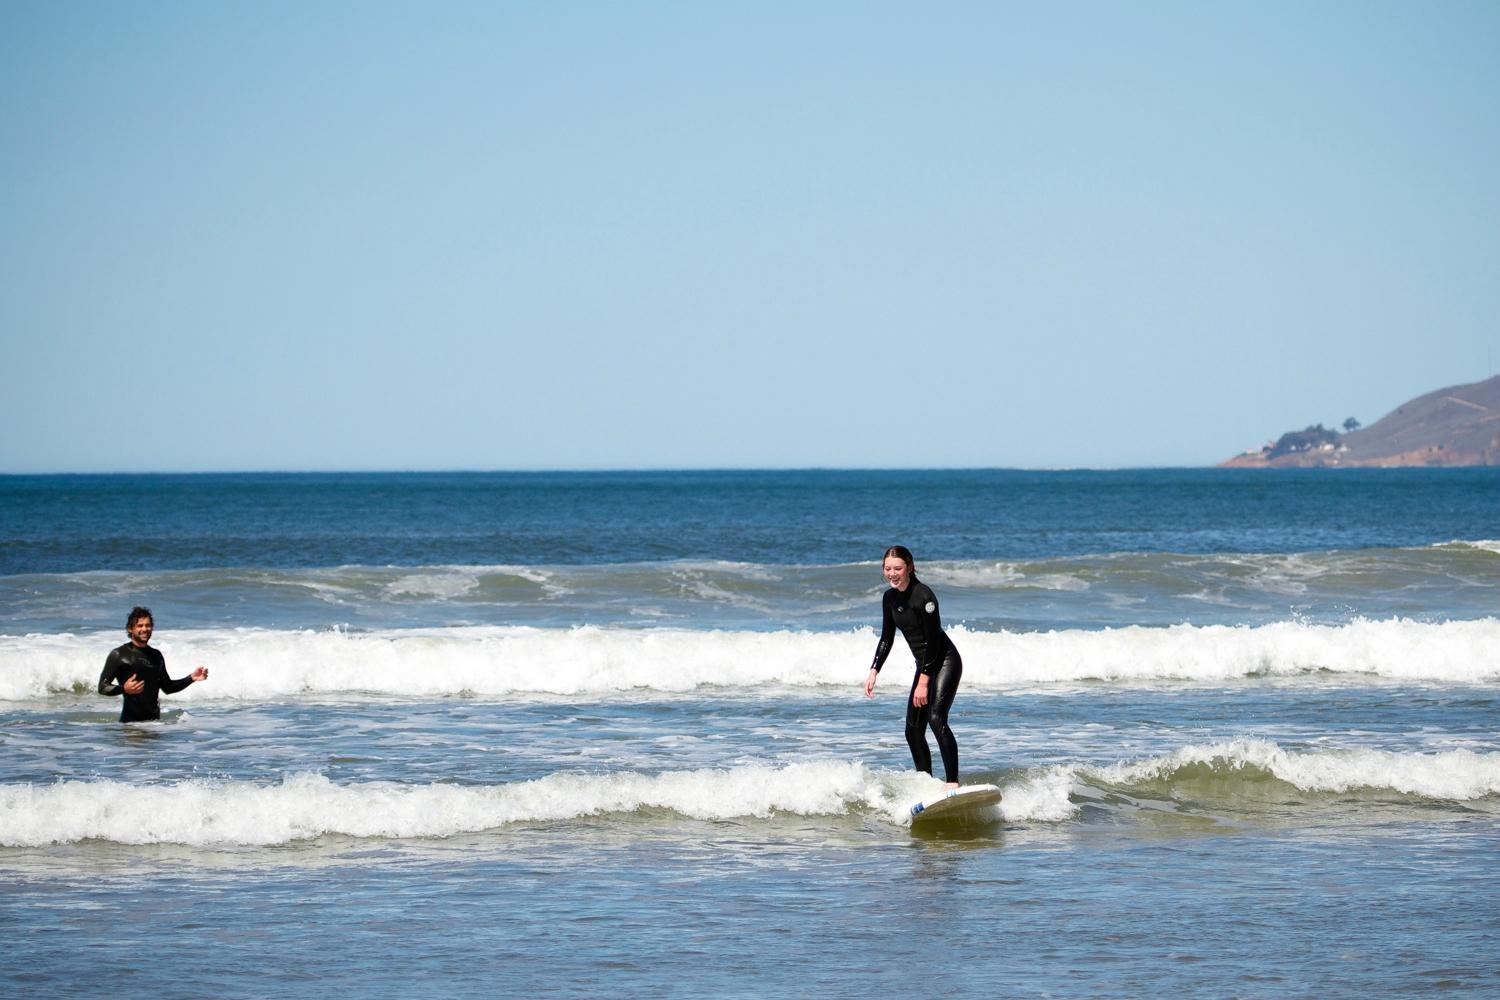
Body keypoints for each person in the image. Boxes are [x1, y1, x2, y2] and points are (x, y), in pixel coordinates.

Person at [863, 545, 963, 788]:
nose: (892, 573)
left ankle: (952, 783)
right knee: (913, 730)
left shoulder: (924, 596)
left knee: (936, 718)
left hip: (945, 661)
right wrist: (874, 669)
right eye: (887, 568)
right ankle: (926, 783)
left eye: (897, 568)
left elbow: (934, 641)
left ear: (910, 567)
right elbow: (886, 638)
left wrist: (924, 680)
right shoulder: (889, 598)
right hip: (925, 665)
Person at [97, 607, 208, 722]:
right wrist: (124, 689)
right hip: (131, 726)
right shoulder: (119, 654)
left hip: (154, 725)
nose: (145, 629)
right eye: (140, 626)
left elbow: (168, 687)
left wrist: (191, 678)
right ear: (130, 629)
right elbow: (102, 687)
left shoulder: (156, 655)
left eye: (148, 625)